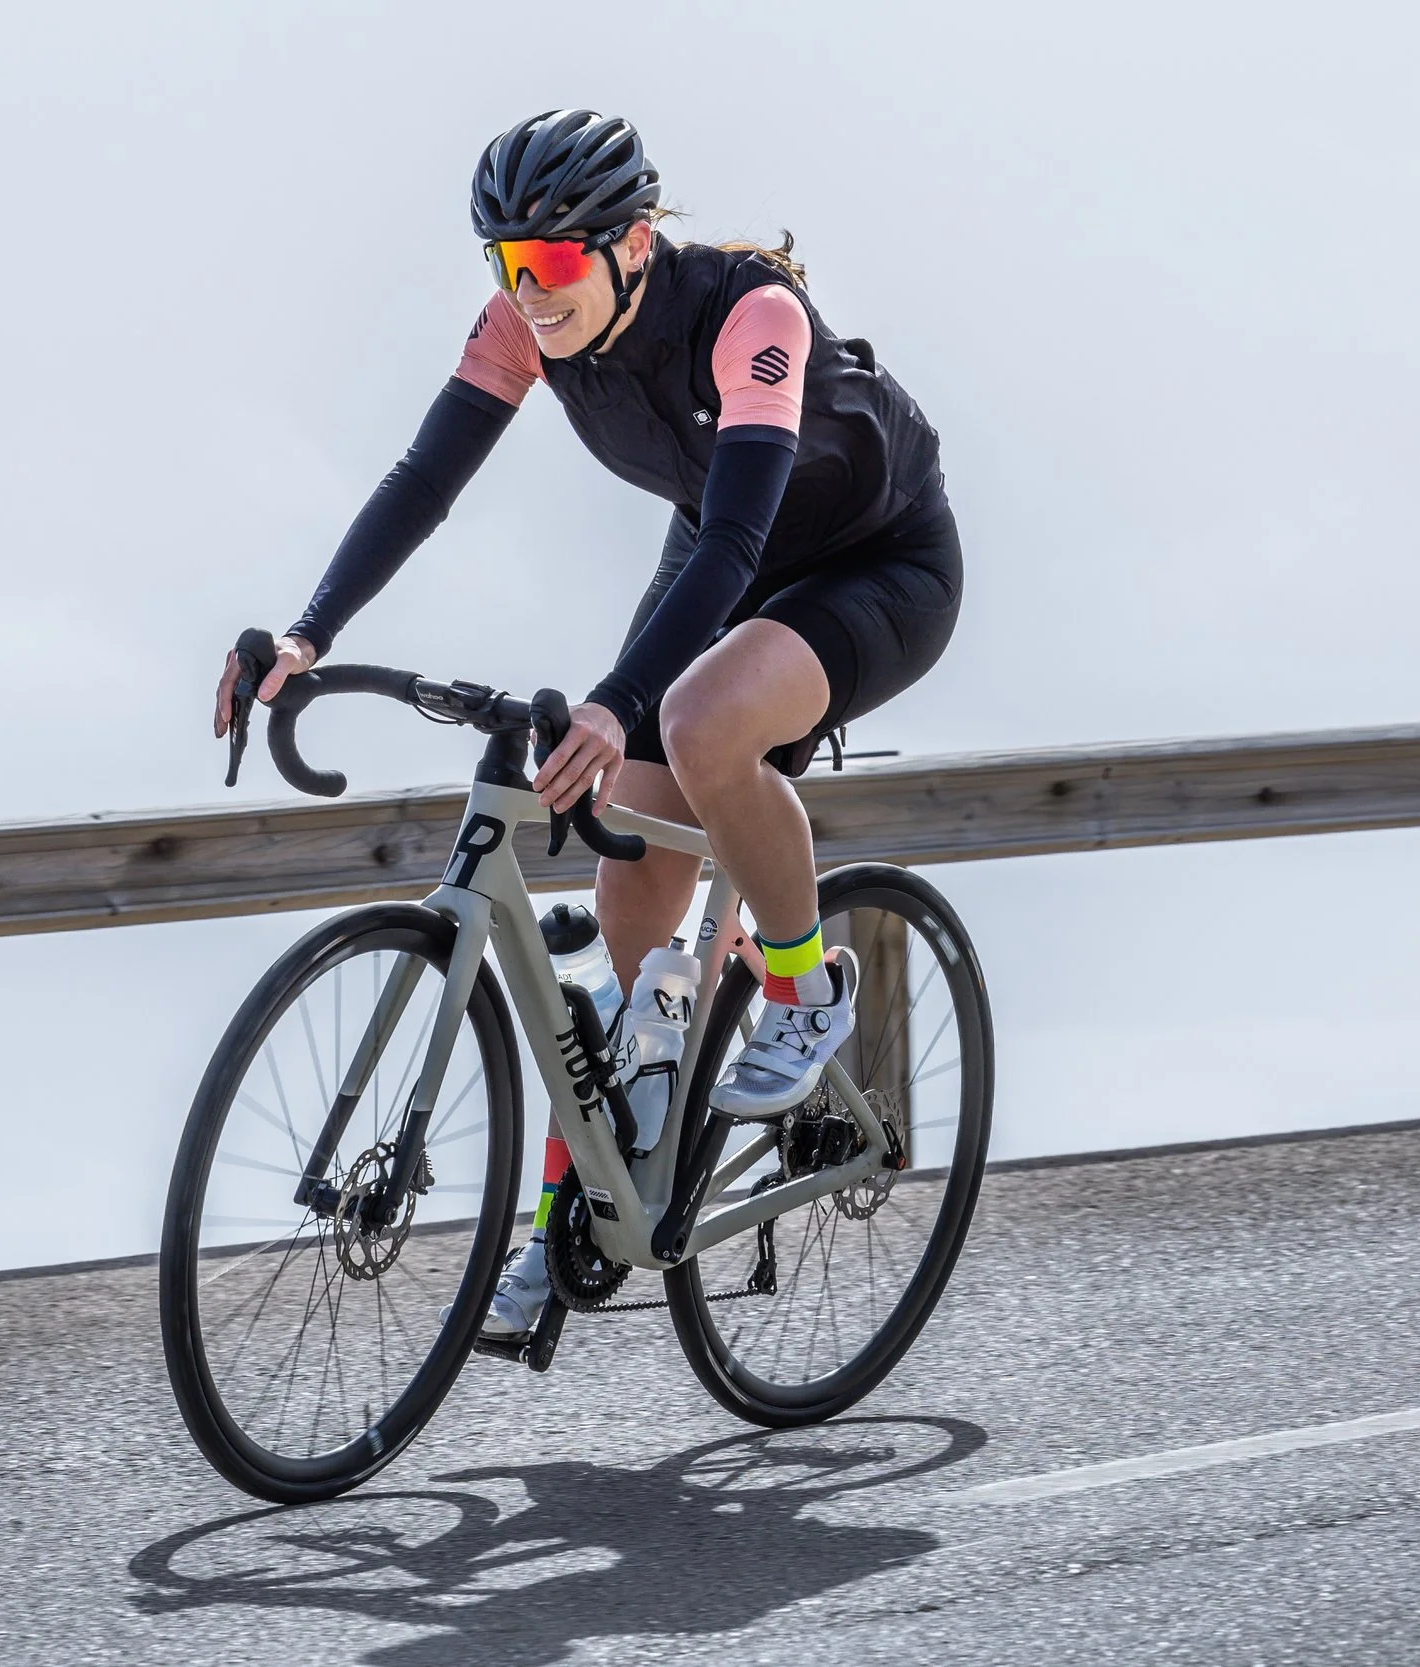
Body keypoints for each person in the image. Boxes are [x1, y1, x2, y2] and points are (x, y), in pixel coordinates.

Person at [211, 109, 960, 1336]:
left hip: (872, 559)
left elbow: (737, 538)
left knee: (700, 718)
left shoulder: (750, 313)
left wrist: (618, 706)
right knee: (625, 942)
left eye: (552, 264)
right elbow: (422, 481)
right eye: (505, 264)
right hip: (724, 550)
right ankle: (582, 1220)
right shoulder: (523, 324)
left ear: (632, 240)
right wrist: (306, 635)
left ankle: (802, 983)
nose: (528, 292)